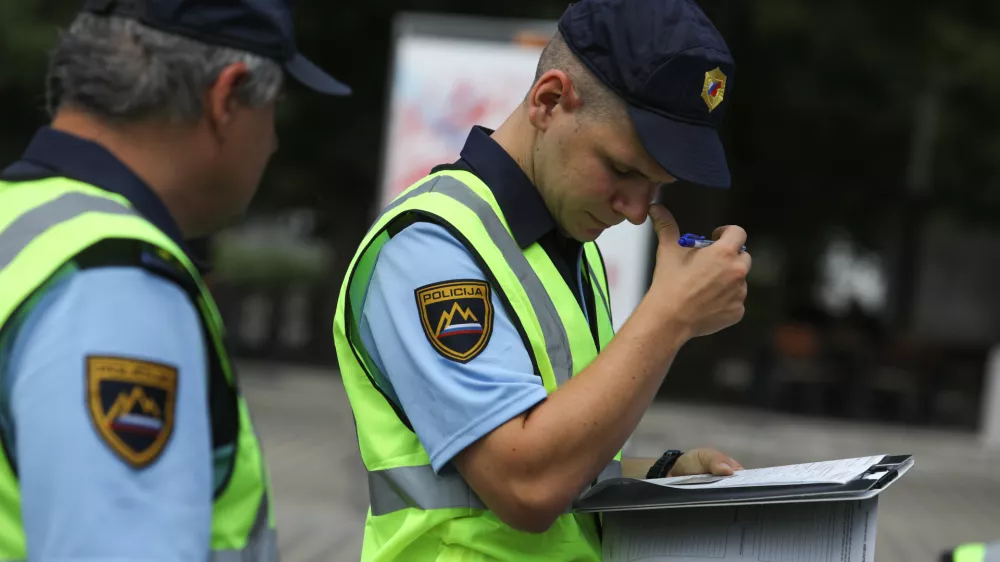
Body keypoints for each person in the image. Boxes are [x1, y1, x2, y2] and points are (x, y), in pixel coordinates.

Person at [332, 0, 750, 559]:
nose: (633, 210)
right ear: (549, 101)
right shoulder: (431, 248)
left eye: (655, 184)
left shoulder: (568, 248)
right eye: (622, 169)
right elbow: (525, 487)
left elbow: (554, 458)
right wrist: (669, 315)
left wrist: (662, 475)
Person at [0, 0, 349, 560]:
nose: (274, 143)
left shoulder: (20, 218)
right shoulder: (115, 281)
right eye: (274, 111)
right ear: (228, 98)